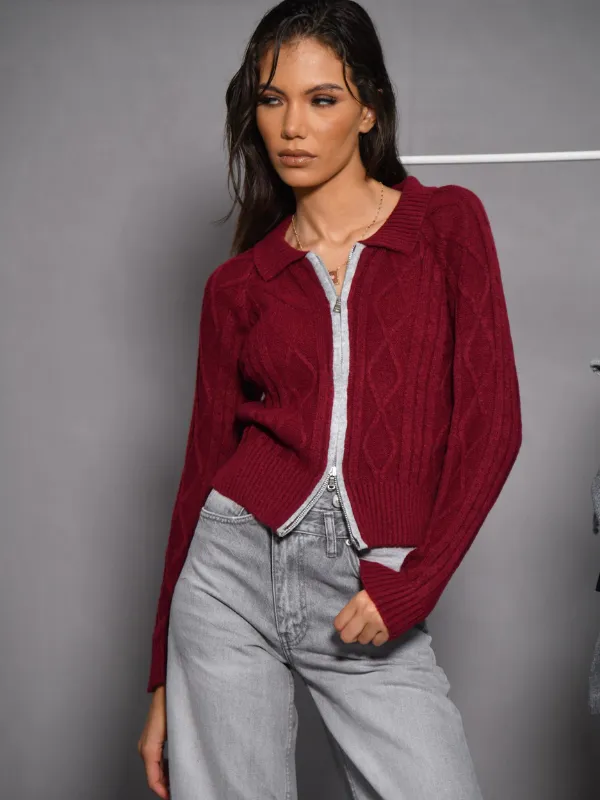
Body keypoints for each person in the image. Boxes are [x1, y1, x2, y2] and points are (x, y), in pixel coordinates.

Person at [138, 1, 522, 797]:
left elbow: (492, 426)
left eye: (322, 99)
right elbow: (200, 468)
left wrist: (414, 583)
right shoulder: (240, 285)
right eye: (272, 100)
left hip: (368, 584)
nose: (292, 127)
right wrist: (162, 679)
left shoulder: (445, 227)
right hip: (227, 581)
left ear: (368, 109)